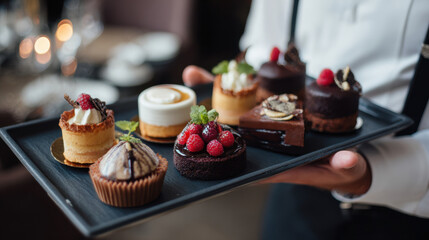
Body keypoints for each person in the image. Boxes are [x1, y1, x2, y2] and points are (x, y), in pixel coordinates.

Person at [183, 0, 429, 238]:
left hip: (407, 208)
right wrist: (238, 92)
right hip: (293, 181)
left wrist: (382, 170)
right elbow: (262, 45)